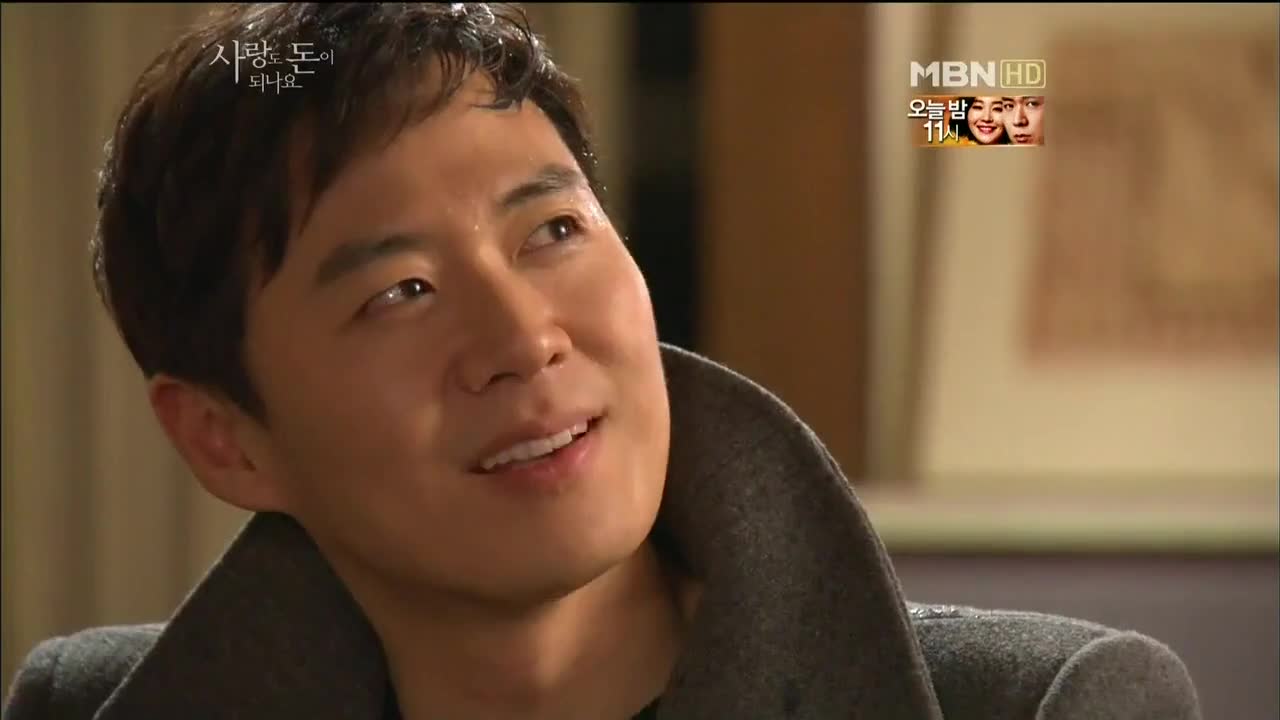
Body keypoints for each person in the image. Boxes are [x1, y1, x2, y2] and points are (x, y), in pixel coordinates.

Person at [5, 4, 1198, 719]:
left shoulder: (1044, 706)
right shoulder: (84, 707)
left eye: (553, 232)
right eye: (399, 292)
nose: (524, 337)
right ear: (224, 439)